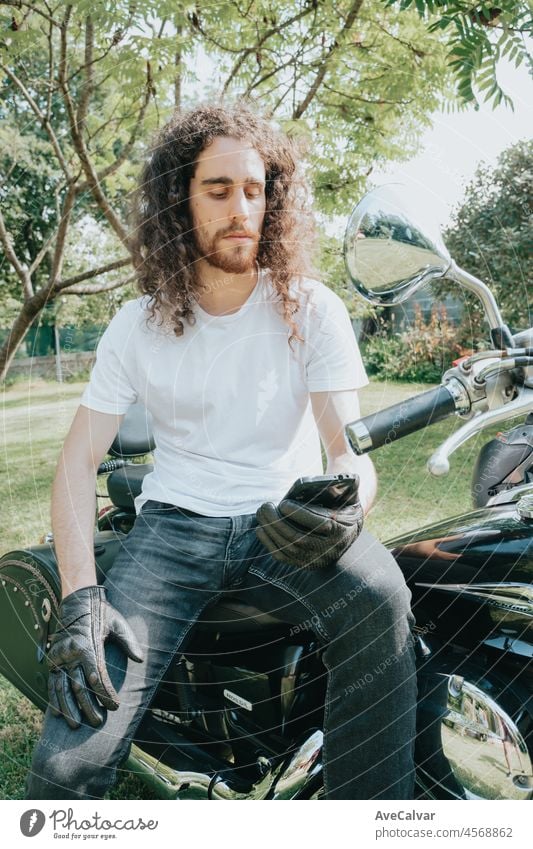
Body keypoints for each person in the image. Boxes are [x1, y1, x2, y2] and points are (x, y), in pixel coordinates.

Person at [26, 103, 417, 800]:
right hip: (173, 532)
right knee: (65, 763)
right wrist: (81, 596)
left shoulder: (310, 307)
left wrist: (347, 504)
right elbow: (75, 463)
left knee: (381, 591)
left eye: (254, 189)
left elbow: (346, 448)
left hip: (285, 525)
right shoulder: (135, 325)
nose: (241, 208)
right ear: (180, 199)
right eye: (218, 189)